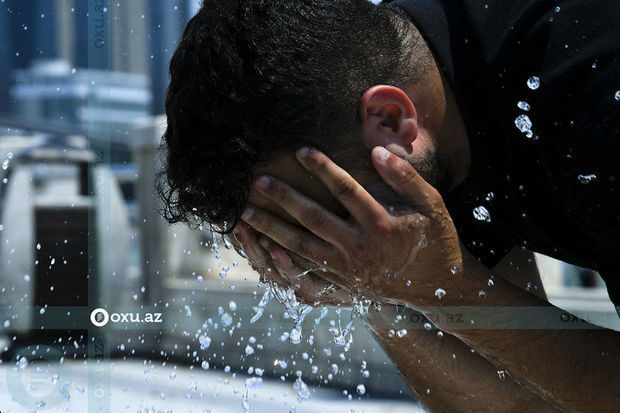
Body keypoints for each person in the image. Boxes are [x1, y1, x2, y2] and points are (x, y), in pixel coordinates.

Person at [157, 0, 619, 411]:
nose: (327, 249)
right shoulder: (407, 120)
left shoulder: (595, 100)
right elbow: (525, 403)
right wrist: (378, 292)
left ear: (390, 118)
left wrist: (447, 287)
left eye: (325, 219)